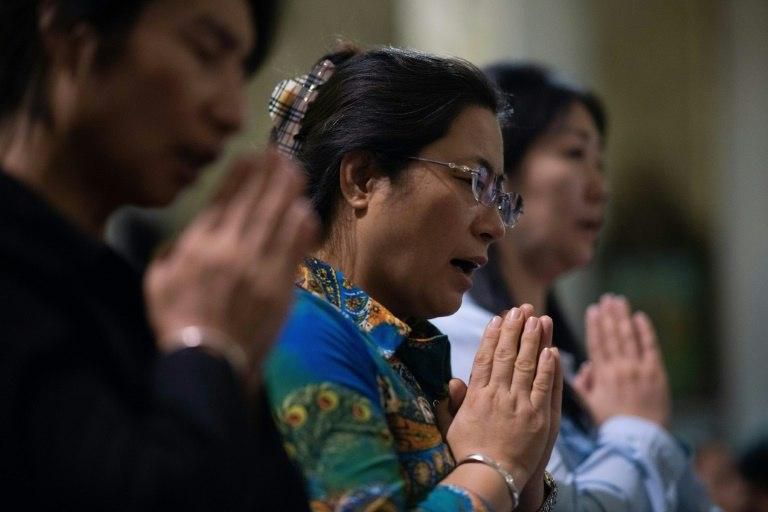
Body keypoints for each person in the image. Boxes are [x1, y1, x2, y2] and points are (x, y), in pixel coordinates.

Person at [0, 1, 316, 510]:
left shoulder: (122, 284)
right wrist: (208, 345)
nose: (233, 113)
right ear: (68, 36)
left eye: (241, 70)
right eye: (206, 52)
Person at [263, 46, 561, 511]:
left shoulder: (402, 353)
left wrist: (524, 489)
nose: (495, 226)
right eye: (474, 182)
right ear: (362, 179)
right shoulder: (301, 332)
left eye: (500, 197)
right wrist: (493, 463)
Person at [432, 63, 716, 511]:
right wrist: (635, 428)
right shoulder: (467, 339)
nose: (601, 188)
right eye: (573, 153)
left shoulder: (575, 360)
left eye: (600, 162)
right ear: (499, 171)